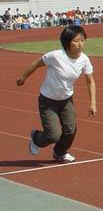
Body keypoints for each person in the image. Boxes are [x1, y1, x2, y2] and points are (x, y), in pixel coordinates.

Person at [16, 25, 97, 163]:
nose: (80, 44)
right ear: (67, 42)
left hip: (66, 100)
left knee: (70, 130)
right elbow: (37, 63)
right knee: (53, 135)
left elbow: (90, 81)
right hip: (48, 101)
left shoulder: (84, 59)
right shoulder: (56, 56)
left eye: (83, 40)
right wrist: (22, 78)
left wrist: (93, 103)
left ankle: (59, 152)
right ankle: (36, 138)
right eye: (76, 41)